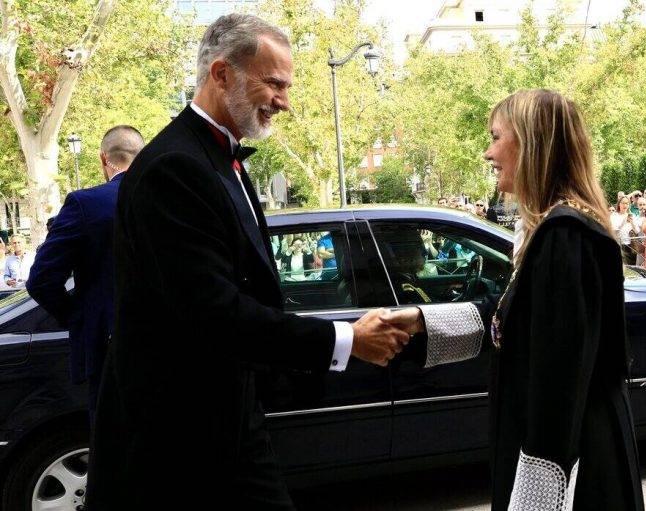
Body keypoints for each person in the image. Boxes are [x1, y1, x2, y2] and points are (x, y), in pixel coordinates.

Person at [85, 14, 409, 510]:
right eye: (274, 83)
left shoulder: (218, 158)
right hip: (177, 441)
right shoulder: (175, 167)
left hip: (226, 420)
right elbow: (213, 312)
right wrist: (347, 339)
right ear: (221, 75)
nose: (285, 101)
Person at [386, 89, 644, 510]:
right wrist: (419, 320)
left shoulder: (564, 237)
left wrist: (535, 500)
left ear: (532, 145)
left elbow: (558, 385)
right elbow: (511, 318)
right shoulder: (550, 230)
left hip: (572, 461)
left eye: (495, 137)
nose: (488, 153)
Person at [25, 125, 145, 423]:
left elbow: (41, 279)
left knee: (116, 452)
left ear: (104, 159)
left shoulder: (86, 204)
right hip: (175, 351)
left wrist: (79, 315)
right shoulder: (175, 199)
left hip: (110, 353)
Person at [611, 196, 636, 265]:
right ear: (619, 204)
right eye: (623, 203)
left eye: (627, 203)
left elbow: (637, 231)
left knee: (631, 266)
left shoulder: (632, 215)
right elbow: (614, 232)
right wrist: (624, 222)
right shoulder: (614, 216)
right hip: (619, 244)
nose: (625, 205)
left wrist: (632, 222)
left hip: (631, 244)